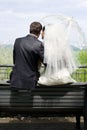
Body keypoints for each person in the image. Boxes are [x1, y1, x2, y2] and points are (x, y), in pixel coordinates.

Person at [10, 21, 44, 90]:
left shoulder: (18, 41)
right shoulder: (39, 44)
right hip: (30, 82)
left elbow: (15, 60)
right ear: (40, 32)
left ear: (29, 29)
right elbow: (46, 61)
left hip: (15, 80)